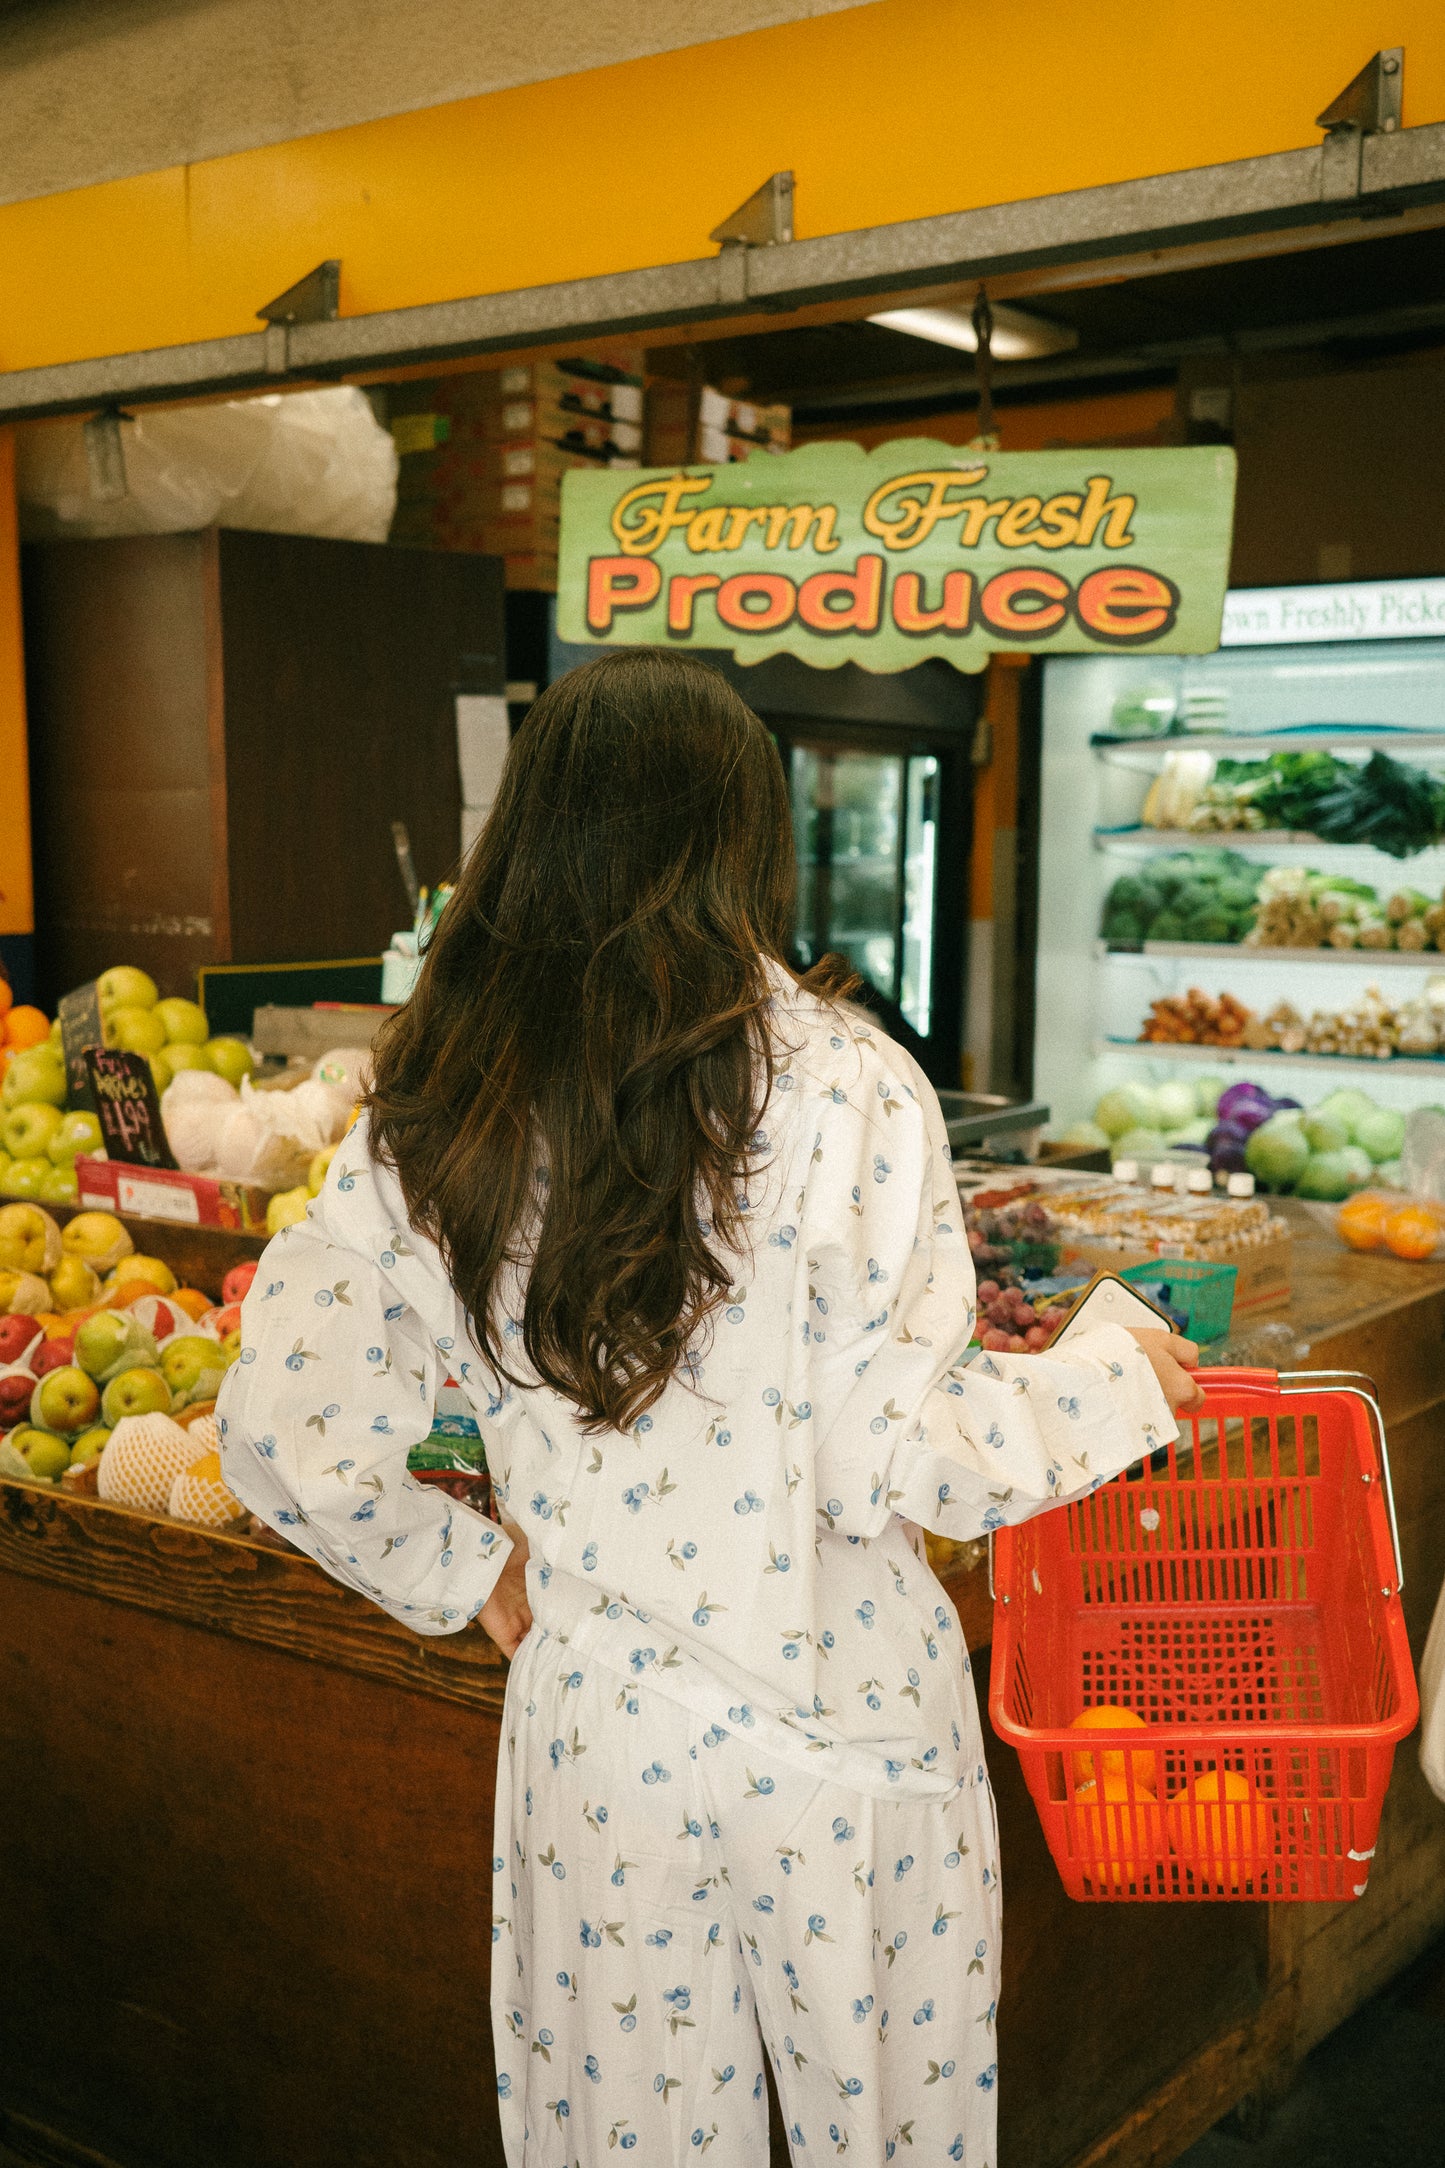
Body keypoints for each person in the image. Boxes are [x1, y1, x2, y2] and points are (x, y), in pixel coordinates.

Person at [218, 649, 1201, 2167]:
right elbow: (902, 1450)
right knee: (892, 2137)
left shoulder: (441, 1103)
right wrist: (1109, 1384)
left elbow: (287, 1420)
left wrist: (469, 1570)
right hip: (841, 1719)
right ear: (746, 840)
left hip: (599, 1725)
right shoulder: (846, 1085)